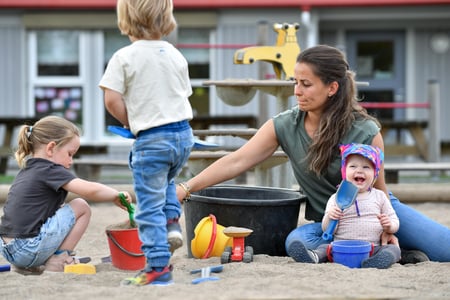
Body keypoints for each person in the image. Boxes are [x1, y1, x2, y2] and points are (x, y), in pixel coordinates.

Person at [176, 44, 450, 263]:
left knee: (446, 250)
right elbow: (237, 160)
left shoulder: (365, 130)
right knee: (296, 243)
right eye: (296, 82)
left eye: (306, 84)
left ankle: (390, 249)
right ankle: (391, 255)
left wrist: (387, 228)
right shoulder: (284, 125)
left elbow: (378, 192)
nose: (297, 91)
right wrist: (186, 187)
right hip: (328, 224)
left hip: (375, 214)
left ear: (332, 88)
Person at [99, 0, 194, 286]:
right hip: (182, 135)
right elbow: (180, 95)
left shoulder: (124, 57)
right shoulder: (176, 55)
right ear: (167, 18)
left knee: (147, 206)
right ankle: (171, 223)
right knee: (165, 182)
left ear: (125, 18)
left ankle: (157, 266)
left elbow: (112, 99)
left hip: (152, 139)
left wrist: (130, 122)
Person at [0, 116, 132, 274]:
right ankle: (58, 260)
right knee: (81, 206)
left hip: (8, 249)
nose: (71, 161)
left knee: (60, 209)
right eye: (70, 154)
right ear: (50, 148)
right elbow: (90, 190)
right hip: (28, 248)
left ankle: (27, 266)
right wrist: (115, 195)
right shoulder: (50, 169)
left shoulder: (28, 170)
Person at [288, 143, 401, 269]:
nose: (359, 170)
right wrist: (331, 217)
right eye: (353, 166)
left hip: (371, 248)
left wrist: (389, 225)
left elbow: (395, 220)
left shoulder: (379, 196)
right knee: (324, 248)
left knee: (393, 249)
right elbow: (327, 229)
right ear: (344, 172)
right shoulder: (336, 198)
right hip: (340, 247)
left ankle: (376, 262)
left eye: (366, 167)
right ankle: (313, 257)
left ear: (375, 175)